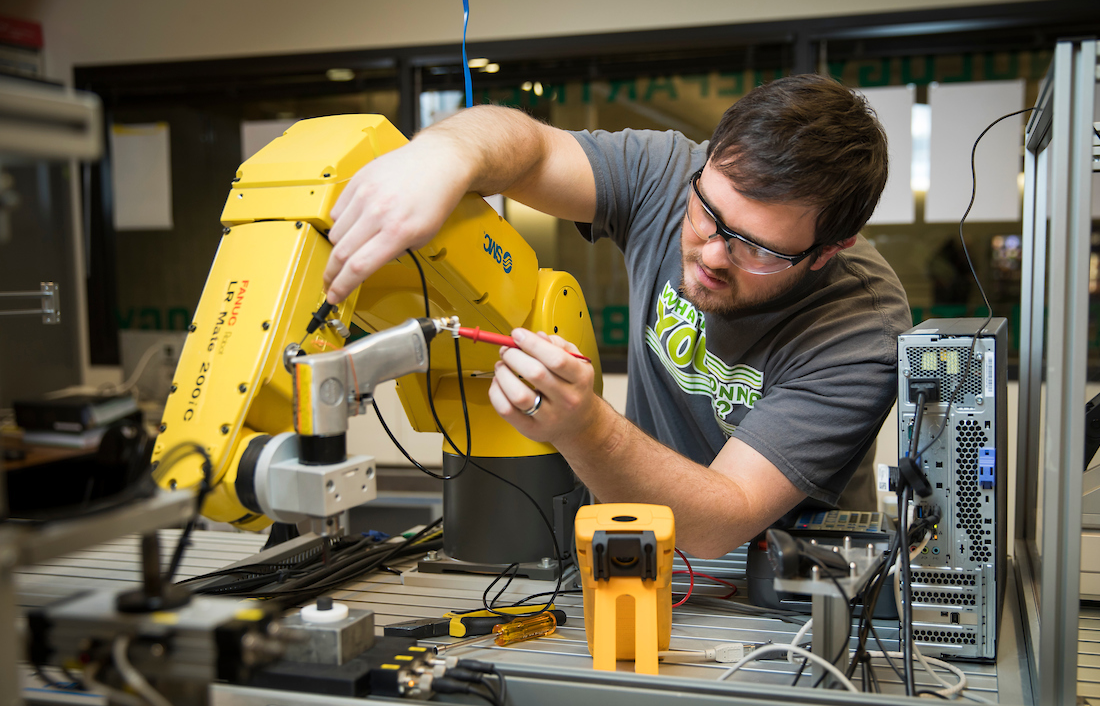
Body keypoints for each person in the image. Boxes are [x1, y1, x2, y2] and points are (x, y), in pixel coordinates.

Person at [323, 74, 910, 559]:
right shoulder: (667, 174)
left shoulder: (861, 333)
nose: (710, 255)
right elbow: (528, 143)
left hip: (786, 591)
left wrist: (585, 427)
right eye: (707, 212)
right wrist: (443, 155)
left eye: (755, 247)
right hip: (640, 549)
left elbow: (723, 519)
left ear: (830, 250)